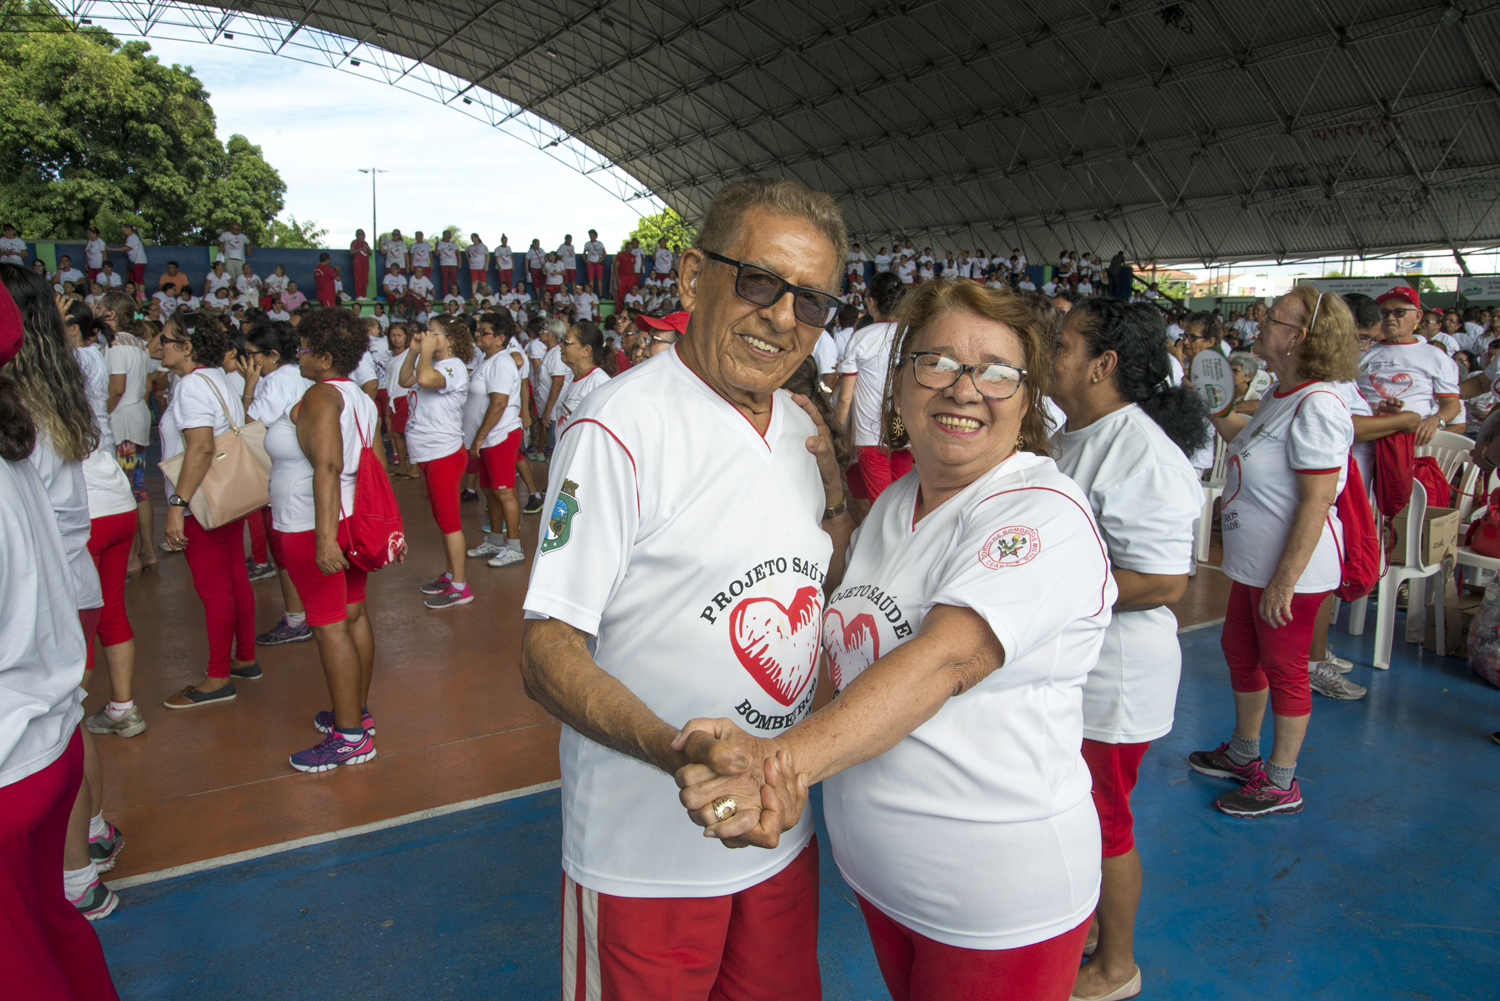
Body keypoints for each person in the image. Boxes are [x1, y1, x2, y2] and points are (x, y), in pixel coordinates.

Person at [673, 279, 1116, 1001]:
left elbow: (943, 660)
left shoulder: (1042, 513)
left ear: (1029, 399)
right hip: (889, 887)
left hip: (994, 905)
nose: (965, 388)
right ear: (902, 385)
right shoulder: (899, 505)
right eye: (937, 362)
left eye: (997, 371)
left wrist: (771, 767)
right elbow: (851, 627)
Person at [519, 177, 852, 1000]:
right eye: (760, 281)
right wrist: (678, 745)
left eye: (811, 302)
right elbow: (545, 648)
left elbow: (816, 580)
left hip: (779, 834)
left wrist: (838, 497)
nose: (783, 318)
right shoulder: (618, 427)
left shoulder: (803, 424)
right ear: (693, 277)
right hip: (642, 864)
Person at [1050, 300, 1207, 1001]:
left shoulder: (1140, 450)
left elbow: (1167, 579)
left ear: (1102, 364)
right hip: (1076, 667)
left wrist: (1052, 593)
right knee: (1079, 809)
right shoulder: (1075, 433)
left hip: (1114, 678)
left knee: (1105, 818)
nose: (1049, 350)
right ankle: (1084, 925)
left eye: (1063, 342)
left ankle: (1116, 965)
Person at [1188, 288, 1359, 817]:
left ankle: (1282, 782)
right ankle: (1244, 753)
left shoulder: (1320, 405)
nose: (1260, 323)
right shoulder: (1281, 393)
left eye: (1273, 317)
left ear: (1299, 336)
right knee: (1241, 652)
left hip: (1293, 571)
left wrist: (1285, 580)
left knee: (1284, 668)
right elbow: (1248, 439)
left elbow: (1317, 500)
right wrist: (1217, 410)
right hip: (1256, 562)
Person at [0, 277, 122, 997]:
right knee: (49, 923)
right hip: (44, 732)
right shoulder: (25, 430)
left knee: (20, 963)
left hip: (14, 749)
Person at [268, 309, 386, 770]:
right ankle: (355, 712)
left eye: (304, 348)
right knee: (353, 615)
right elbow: (373, 459)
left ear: (325, 357)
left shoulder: (320, 395)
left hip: (314, 522)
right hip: (352, 518)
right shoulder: (358, 396)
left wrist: (322, 538)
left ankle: (350, 736)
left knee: (328, 624)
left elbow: (328, 467)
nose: (299, 354)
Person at [158, 310, 260, 707]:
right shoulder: (216, 378)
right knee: (234, 576)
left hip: (202, 498)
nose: (158, 348)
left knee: (214, 587)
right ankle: (244, 657)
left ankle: (218, 677)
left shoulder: (191, 386)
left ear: (186, 347)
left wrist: (175, 506)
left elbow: (199, 448)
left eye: (166, 340)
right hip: (227, 494)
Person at [244, 322, 316, 645]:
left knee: (284, 550)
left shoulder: (274, 382)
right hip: (305, 471)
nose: (249, 363)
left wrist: (248, 387)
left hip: (285, 474)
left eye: (252, 356)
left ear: (272, 355)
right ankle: (308, 610)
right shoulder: (299, 375)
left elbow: (249, 425)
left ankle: (296, 618)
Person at [399, 314, 475, 608]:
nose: (428, 336)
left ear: (451, 339)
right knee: (442, 520)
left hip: (444, 454)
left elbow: (423, 379)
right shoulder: (431, 362)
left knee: (449, 521)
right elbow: (406, 379)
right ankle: (449, 574)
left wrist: (425, 354)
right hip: (430, 453)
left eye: (435, 333)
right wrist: (414, 351)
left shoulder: (453, 367)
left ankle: (460, 586)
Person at [836, 272, 909, 512]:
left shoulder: (861, 338)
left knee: (882, 509)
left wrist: (838, 435)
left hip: (870, 437)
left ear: (872, 302)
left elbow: (845, 397)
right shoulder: (913, 336)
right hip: (905, 435)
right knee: (904, 505)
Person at [1357, 285, 1461, 445]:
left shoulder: (1435, 356)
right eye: (1384, 313)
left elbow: (1452, 403)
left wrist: (1436, 420)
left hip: (1414, 441)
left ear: (1418, 316)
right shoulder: (1362, 353)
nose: (1390, 318)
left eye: (1399, 312)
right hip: (1365, 439)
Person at [463, 312, 528, 569]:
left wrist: (479, 436)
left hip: (499, 435)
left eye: (484, 331)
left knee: (504, 492)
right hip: (487, 438)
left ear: (500, 338)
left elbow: (499, 403)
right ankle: (496, 540)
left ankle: (514, 547)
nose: (478, 334)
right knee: (489, 492)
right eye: (478, 329)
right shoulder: (486, 359)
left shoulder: (501, 362)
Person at [553, 320, 615, 438]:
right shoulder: (575, 379)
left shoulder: (599, 382)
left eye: (566, 342)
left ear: (586, 350)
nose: (561, 345)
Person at [350, 229, 372, 300]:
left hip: (365, 262)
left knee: (365, 279)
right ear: (356, 235)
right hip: (358, 262)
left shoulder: (366, 243)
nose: (359, 235)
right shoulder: (354, 242)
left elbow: (370, 254)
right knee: (358, 279)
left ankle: (363, 295)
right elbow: (351, 252)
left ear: (364, 235)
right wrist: (360, 249)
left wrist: (368, 249)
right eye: (358, 234)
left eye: (361, 234)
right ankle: (358, 296)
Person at [583, 229, 607, 296]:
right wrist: (585, 260)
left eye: (592, 235)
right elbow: (584, 254)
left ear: (596, 236)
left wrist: (601, 259)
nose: (591, 237)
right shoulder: (587, 243)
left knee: (599, 279)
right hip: (590, 262)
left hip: (598, 263)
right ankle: (590, 293)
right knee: (591, 279)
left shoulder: (600, 243)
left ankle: (600, 294)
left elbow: (605, 253)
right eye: (590, 235)